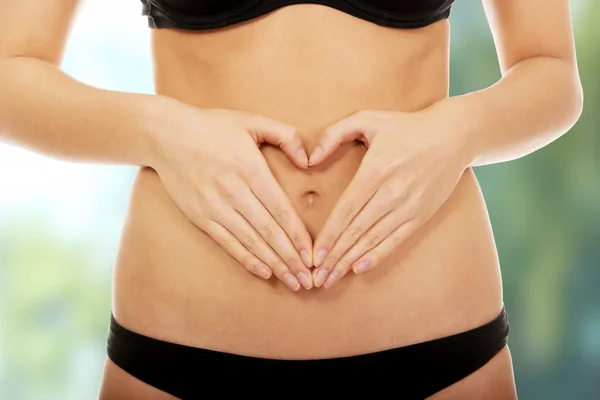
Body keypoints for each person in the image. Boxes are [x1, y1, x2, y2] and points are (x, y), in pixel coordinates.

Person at [0, 0, 583, 398]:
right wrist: (158, 130)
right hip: (177, 350)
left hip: (441, 350)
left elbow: (551, 72)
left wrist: (459, 131)